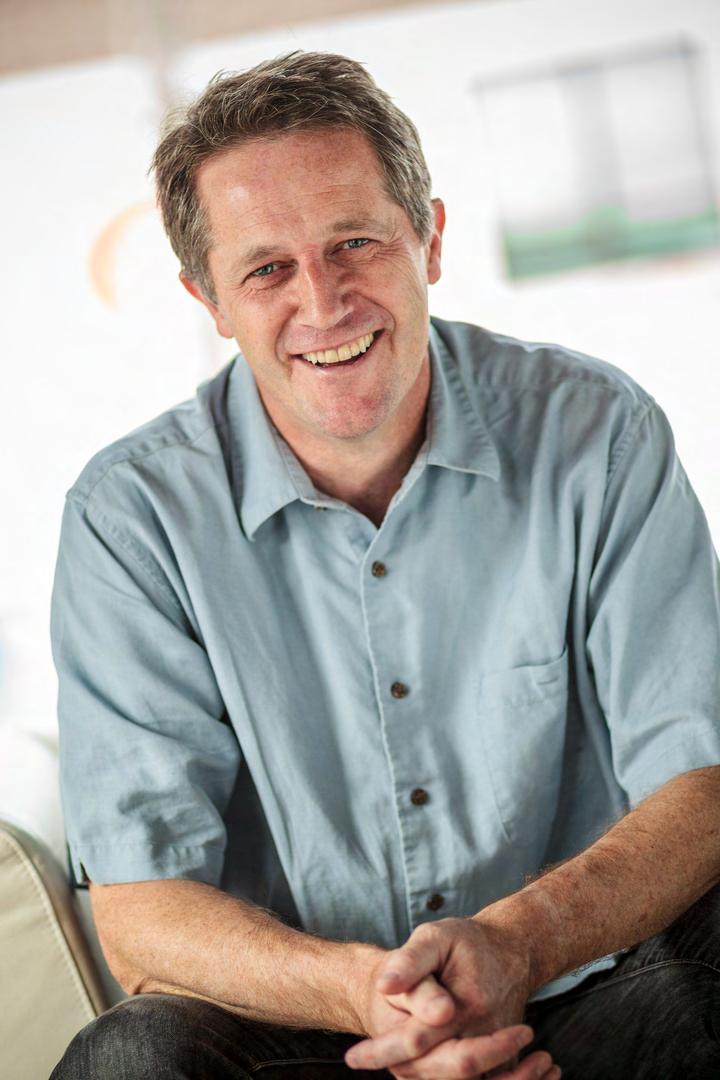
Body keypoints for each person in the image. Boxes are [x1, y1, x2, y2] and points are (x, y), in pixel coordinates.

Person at [49, 51, 720, 1080]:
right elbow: (142, 911)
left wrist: (518, 946)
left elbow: (699, 783)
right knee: (129, 1058)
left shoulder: (601, 435)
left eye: (354, 242)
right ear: (208, 297)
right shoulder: (130, 517)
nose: (323, 302)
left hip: (587, 990)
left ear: (430, 239)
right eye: (267, 270)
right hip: (310, 1027)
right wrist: (370, 994)